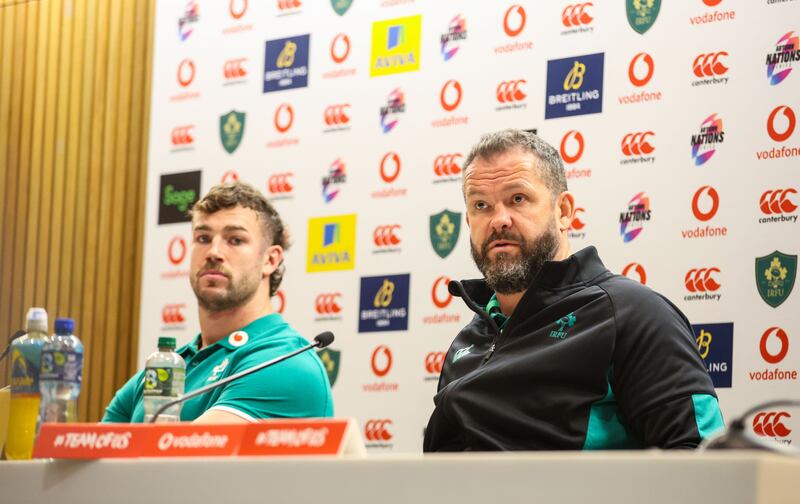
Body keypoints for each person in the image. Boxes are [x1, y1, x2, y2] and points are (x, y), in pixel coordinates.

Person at [423, 129, 723, 451]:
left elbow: (700, 463)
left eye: (517, 199)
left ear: (564, 211)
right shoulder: (468, 341)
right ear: (469, 221)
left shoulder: (632, 314)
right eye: (481, 205)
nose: (498, 220)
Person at [103, 182, 332, 423]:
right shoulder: (168, 364)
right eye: (203, 238)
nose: (213, 252)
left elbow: (181, 454)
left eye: (235, 240)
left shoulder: (286, 363)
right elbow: (90, 454)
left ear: (270, 259)